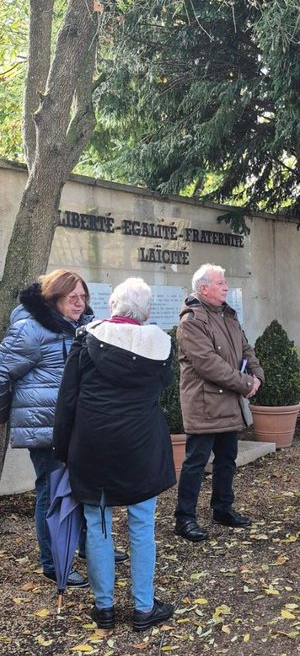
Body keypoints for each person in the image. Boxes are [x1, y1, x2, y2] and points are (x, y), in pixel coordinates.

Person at [52, 278, 176, 631]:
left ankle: (104, 607)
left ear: (112, 307)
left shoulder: (86, 341)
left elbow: (67, 401)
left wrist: (62, 451)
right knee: (141, 524)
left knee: (98, 524)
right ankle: (143, 608)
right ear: (146, 312)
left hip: (93, 446)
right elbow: (161, 392)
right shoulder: (159, 348)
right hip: (140, 446)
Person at [0, 269, 93, 588]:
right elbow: (2, 371)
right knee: (52, 493)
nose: (80, 303)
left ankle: (83, 548)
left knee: (80, 487)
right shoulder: (31, 329)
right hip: (44, 426)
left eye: (83, 297)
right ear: (54, 300)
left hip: (75, 425)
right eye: (73, 298)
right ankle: (53, 562)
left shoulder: (80, 327)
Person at [174, 264, 264, 541]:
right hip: (205, 404)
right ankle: (184, 518)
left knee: (227, 459)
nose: (226, 287)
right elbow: (209, 365)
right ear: (203, 288)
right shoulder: (192, 321)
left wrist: (257, 374)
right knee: (196, 462)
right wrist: (246, 383)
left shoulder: (228, 315)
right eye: (220, 283)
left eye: (225, 283)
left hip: (228, 402)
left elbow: (246, 348)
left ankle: (222, 508)